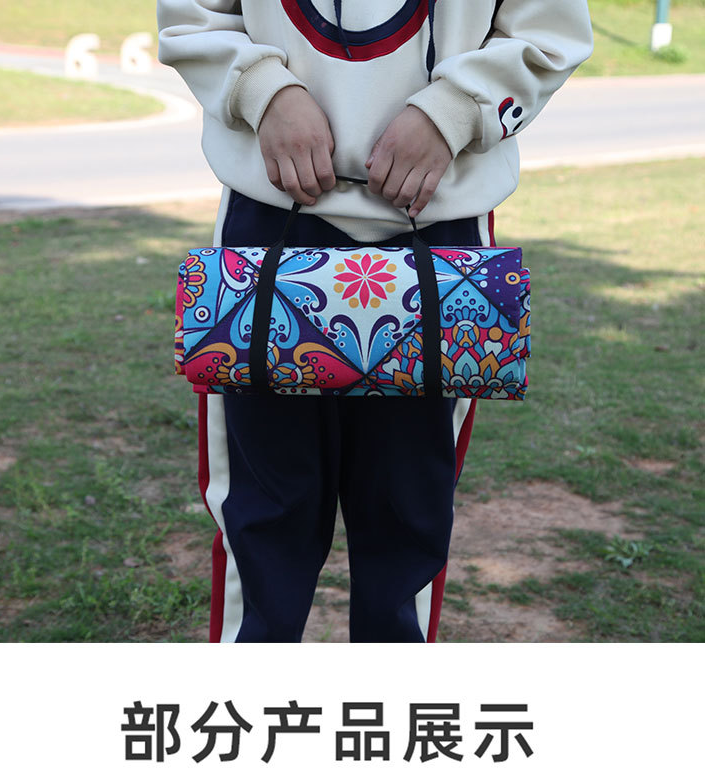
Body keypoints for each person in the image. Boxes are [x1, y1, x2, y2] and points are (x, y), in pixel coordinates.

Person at [157, 0, 593, 642]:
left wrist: (453, 109)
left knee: (408, 519)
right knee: (262, 522)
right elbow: (192, 15)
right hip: (270, 214)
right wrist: (264, 92)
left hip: (438, 223)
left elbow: (549, 30)